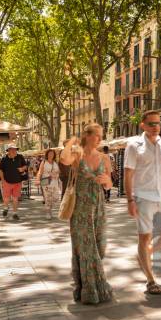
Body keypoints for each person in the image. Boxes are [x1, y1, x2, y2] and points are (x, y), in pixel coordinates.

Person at [125, 111, 161, 295]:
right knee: (144, 237)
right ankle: (150, 279)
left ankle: (144, 254)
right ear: (143, 125)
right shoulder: (134, 145)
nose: (155, 126)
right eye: (151, 124)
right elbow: (128, 174)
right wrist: (130, 199)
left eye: (158, 123)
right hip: (143, 197)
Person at [60, 124, 113, 304]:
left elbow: (109, 184)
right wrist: (72, 142)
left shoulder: (105, 158)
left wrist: (106, 181)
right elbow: (63, 159)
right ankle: (91, 289)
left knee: (99, 246)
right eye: (96, 135)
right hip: (80, 208)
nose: (99, 139)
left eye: (101, 136)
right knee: (85, 247)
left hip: (98, 206)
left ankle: (85, 284)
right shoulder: (78, 154)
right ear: (87, 135)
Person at [0, 144, 27, 221]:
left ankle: (15, 213)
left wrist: (22, 169)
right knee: (6, 198)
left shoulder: (20, 157)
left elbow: (25, 166)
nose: (14, 151)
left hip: (18, 181)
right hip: (7, 181)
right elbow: (1, 170)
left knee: (15, 198)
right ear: (8, 150)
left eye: (15, 149)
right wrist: (2, 180)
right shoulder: (4, 159)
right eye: (12, 149)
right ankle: (5, 208)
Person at [36, 149, 61, 219]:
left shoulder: (55, 162)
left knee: (55, 198)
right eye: (50, 154)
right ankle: (48, 212)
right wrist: (38, 180)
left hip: (55, 182)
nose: (51, 155)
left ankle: (50, 210)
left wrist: (56, 174)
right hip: (46, 182)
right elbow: (40, 172)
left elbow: (59, 171)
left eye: (52, 154)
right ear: (47, 155)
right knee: (47, 198)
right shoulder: (44, 162)